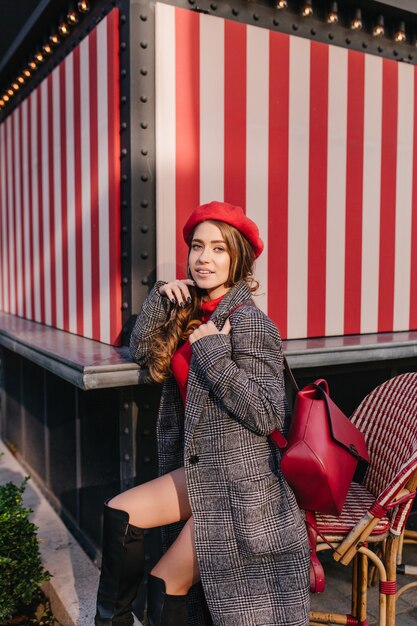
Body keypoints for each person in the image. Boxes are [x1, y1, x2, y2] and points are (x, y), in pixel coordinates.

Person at [94, 201, 310, 626]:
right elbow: (139, 350)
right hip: (201, 472)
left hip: (240, 486)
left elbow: (267, 413)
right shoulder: (192, 308)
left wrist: (211, 352)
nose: (204, 258)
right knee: (120, 513)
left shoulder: (250, 322)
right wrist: (161, 299)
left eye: (218, 249)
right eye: (197, 247)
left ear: (239, 258)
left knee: (164, 580)